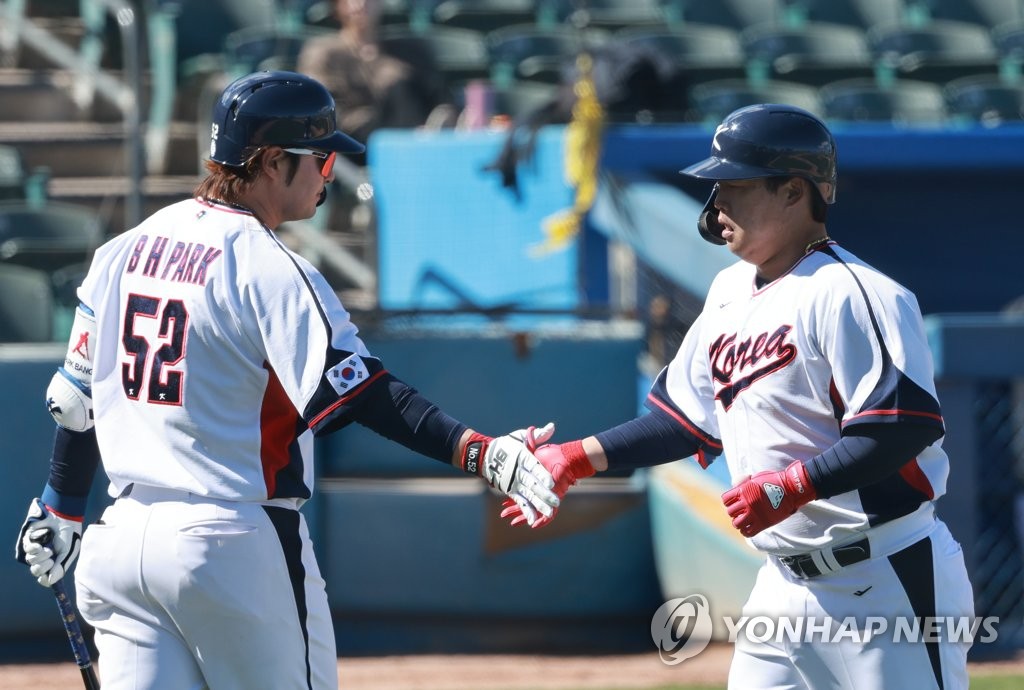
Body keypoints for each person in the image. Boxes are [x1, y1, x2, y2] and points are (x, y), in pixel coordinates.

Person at [14, 70, 558, 690]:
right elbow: (364, 392)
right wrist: (482, 453)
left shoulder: (124, 248)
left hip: (121, 540)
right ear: (272, 162)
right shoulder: (267, 264)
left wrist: (61, 507)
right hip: (232, 540)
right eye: (321, 160)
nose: (330, 176)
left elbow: (75, 403)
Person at [502, 104, 975, 689]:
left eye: (735, 187)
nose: (716, 204)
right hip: (781, 585)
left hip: (882, 576)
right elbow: (684, 421)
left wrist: (792, 486)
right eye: (716, 188)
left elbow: (902, 426)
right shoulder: (728, 292)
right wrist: (577, 456)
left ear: (794, 192)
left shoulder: (854, 293)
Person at [296, 0, 454, 145]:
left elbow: (439, 98)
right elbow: (322, 110)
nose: (360, 4)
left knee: (401, 87)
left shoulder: (409, 50)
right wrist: (383, 128)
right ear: (337, 5)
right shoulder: (322, 53)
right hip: (355, 143)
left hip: (416, 137)